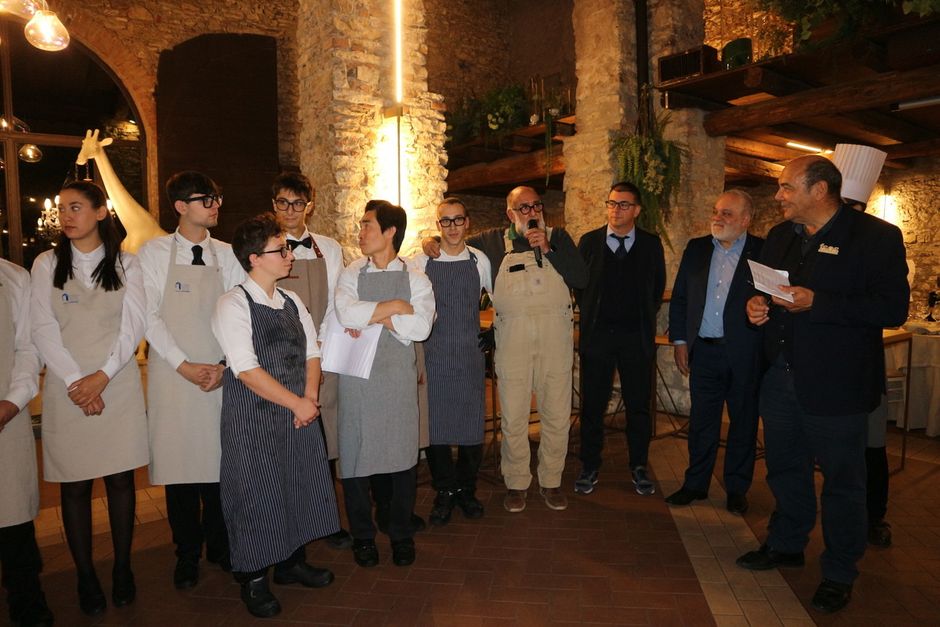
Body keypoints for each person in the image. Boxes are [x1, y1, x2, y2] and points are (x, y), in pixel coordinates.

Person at [736, 156, 909, 614]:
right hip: (781, 378)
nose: (778, 196)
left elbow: (892, 308)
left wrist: (820, 302)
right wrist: (756, 307)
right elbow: (764, 291)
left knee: (842, 483)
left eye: (786, 187)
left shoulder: (875, 237)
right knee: (784, 469)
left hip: (839, 385)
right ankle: (787, 543)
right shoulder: (780, 236)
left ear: (819, 190)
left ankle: (839, 571)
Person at [422, 186, 586, 513]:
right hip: (513, 341)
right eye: (523, 208)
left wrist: (549, 249)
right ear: (510, 214)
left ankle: (551, 480)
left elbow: (581, 278)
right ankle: (517, 483)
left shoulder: (559, 237)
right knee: (513, 416)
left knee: (556, 413)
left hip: (554, 340)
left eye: (536, 206)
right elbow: (454, 240)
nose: (532, 212)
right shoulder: (492, 242)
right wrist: (430, 240)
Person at [30, 180, 149, 616]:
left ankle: (122, 567)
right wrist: (78, 382)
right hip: (68, 388)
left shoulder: (127, 264)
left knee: (120, 481)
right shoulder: (46, 264)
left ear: (101, 212)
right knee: (75, 485)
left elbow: (133, 325)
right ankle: (85, 575)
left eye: (76, 207)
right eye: (62, 209)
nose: (66, 216)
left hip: (116, 384)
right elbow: (42, 328)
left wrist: (101, 377)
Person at [211, 213, 339, 618]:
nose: (289, 255)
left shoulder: (291, 300)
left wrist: (309, 398)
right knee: (255, 494)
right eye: (280, 250)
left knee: (297, 484)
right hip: (254, 418)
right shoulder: (232, 303)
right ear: (254, 258)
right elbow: (245, 369)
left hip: (299, 411)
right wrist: (298, 404)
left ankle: (290, 563)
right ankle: (252, 579)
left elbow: (313, 352)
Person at [138, 171, 245, 590]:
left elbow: (239, 313)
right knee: (180, 468)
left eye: (217, 197)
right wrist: (184, 365)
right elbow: (148, 315)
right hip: (174, 376)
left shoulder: (228, 254)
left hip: (219, 374)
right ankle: (186, 552)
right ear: (181, 207)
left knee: (220, 467)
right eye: (206, 199)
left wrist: (222, 365)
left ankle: (221, 545)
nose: (215, 205)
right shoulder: (153, 253)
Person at [334, 200, 434, 567]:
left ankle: (400, 533)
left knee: (402, 459)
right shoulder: (350, 273)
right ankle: (363, 536)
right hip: (356, 379)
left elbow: (420, 328)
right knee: (356, 458)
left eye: (367, 225)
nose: (360, 232)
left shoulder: (416, 278)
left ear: (390, 231)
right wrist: (395, 306)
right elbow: (345, 313)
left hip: (396, 380)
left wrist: (374, 316)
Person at [665, 190, 763, 514]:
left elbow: (774, 300)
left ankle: (736, 488)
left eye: (727, 214)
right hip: (704, 352)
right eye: (716, 211)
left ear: (746, 220)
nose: (717, 218)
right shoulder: (696, 249)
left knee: (743, 423)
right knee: (701, 422)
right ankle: (696, 484)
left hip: (745, 353)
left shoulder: (762, 252)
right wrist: (680, 341)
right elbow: (680, 297)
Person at [269, 171, 353, 549]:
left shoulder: (329, 248)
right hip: (279, 358)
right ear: (274, 205)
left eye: (298, 203)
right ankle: (291, 524)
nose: (290, 210)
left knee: (325, 442)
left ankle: (327, 520)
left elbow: (337, 301)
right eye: (283, 203)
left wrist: (319, 345)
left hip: (322, 354)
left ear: (310, 206)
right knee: (289, 443)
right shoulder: (265, 247)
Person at [574, 182, 665, 497]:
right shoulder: (589, 242)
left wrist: (640, 319)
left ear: (636, 210)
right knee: (592, 405)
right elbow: (580, 287)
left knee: (638, 406)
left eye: (624, 204)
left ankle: (639, 465)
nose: (616, 210)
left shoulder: (651, 244)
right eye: (611, 203)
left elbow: (656, 289)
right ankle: (589, 465)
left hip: (634, 338)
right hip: (598, 337)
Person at [411, 197, 492, 526]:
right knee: (437, 428)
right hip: (434, 355)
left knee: (472, 426)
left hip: (470, 355)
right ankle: (444, 490)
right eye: (446, 221)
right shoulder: (421, 261)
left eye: (458, 219)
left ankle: (466, 490)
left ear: (467, 222)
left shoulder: (479, 260)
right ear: (438, 225)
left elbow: (499, 299)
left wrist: (494, 329)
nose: (453, 226)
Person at [830, 143, 894, 548]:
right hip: (822, 370)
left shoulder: (879, 242)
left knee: (871, 446)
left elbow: (887, 307)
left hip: (863, 367)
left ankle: (874, 516)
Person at [0, 257, 54, 627]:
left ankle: (27, 602)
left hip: (7, 413)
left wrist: (12, 402)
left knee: (13, 516)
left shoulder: (14, 277)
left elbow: (27, 348)